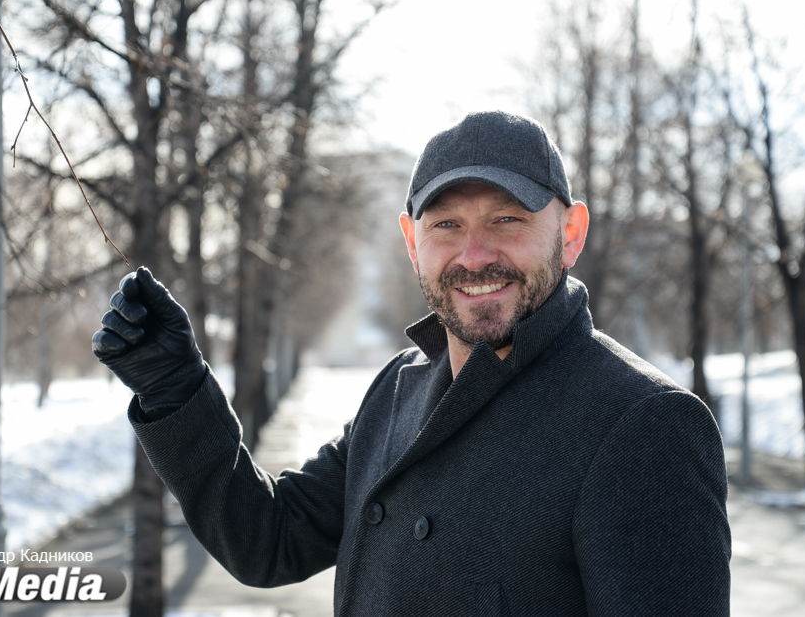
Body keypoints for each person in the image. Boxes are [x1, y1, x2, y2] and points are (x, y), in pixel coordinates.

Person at [93, 111, 731, 616]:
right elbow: (269, 541)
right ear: (411, 242)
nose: (475, 254)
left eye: (507, 219)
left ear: (569, 234)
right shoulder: (398, 390)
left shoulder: (644, 425)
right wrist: (175, 387)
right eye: (446, 225)